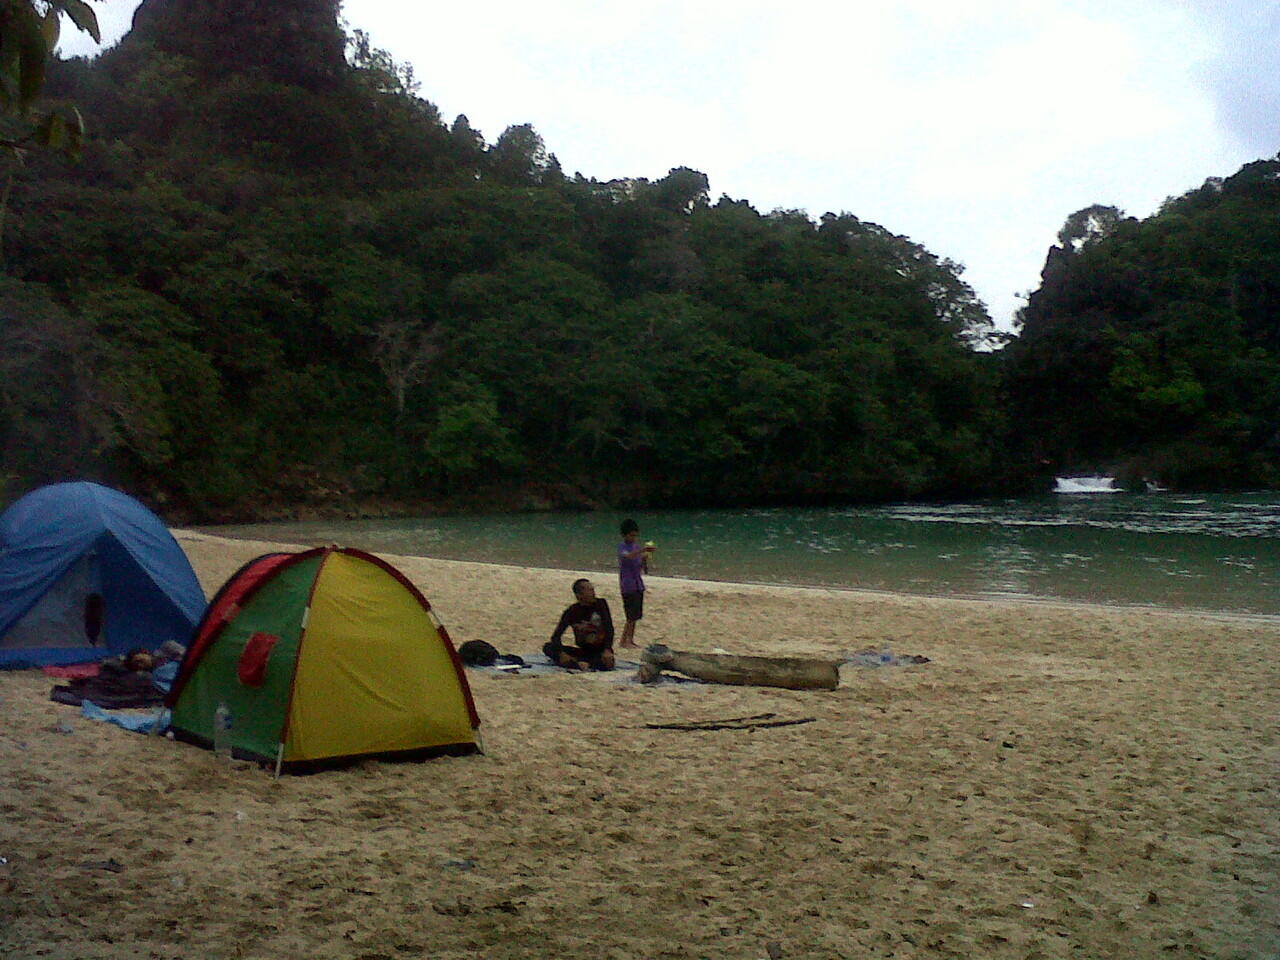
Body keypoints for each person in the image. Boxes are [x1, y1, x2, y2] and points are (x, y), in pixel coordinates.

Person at [544, 578, 616, 671]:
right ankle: (579, 663)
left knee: (606, 662)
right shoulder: (572, 611)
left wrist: (607, 649)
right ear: (579, 595)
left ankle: (577, 663)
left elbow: (609, 628)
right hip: (583, 650)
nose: (593, 593)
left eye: (593, 589)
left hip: (600, 651)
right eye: (590, 590)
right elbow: (556, 636)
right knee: (548, 647)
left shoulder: (601, 604)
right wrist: (561, 653)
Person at [617, 519, 655, 649]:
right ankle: (623, 640)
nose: (633, 538)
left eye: (635, 535)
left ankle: (630, 639)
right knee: (630, 615)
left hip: (638, 583)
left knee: (635, 615)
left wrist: (645, 558)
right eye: (631, 535)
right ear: (625, 535)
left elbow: (642, 568)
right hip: (627, 585)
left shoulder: (636, 547)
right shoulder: (622, 547)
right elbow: (627, 557)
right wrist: (642, 550)